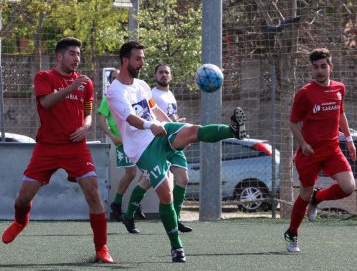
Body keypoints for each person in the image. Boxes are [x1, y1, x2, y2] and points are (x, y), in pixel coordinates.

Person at [107, 41, 247, 263]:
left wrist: (171, 126)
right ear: (125, 61)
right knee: (165, 194)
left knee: (193, 130)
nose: (142, 63)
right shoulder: (114, 91)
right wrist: (150, 125)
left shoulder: (142, 85)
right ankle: (176, 247)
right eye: (138, 59)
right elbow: (131, 119)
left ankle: (234, 130)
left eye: (143, 58)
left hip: (160, 133)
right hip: (142, 149)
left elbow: (154, 109)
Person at [1, 37, 113, 263]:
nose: (77, 58)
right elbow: (46, 103)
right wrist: (70, 87)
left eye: (79, 54)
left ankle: (101, 248)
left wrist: (86, 126)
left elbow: (88, 111)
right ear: (59, 56)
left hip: (76, 148)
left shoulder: (86, 83)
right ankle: (21, 221)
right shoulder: (44, 77)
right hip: (47, 148)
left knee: (93, 192)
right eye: (72, 53)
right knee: (23, 199)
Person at [284, 48, 357, 253]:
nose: (319, 71)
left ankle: (319, 198)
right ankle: (293, 232)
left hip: (332, 149)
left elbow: (340, 114)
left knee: (348, 186)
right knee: (304, 193)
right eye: (315, 67)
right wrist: (303, 144)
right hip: (310, 153)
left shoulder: (339, 88)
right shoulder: (305, 94)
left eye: (323, 66)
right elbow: (293, 123)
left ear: (330, 67)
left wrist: (349, 139)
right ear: (311, 69)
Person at [120, 63, 192, 234]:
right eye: (160, 72)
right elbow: (150, 114)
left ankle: (176, 218)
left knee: (183, 178)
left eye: (167, 72)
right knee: (146, 182)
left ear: (171, 76)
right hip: (156, 142)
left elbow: (168, 117)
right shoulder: (151, 93)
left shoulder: (170, 95)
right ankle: (128, 215)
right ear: (154, 76)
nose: (164, 75)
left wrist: (179, 129)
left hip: (170, 139)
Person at [97, 68, 146, 221]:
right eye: (113, 78)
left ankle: (135, 202)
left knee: (147, 171)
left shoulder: (131, 93)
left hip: (137, 139)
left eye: (119, 77)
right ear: (110, 82)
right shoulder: (108, 98)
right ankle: (117, 204)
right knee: (131, 173)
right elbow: (100, 120)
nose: (116, 80)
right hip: (122, 141)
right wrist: (112, 136)